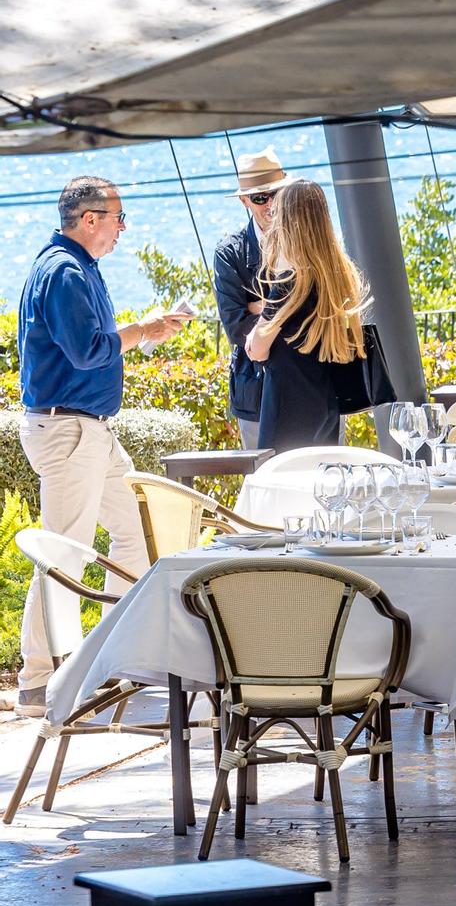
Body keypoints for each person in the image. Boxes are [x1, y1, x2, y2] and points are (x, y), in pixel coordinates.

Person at [15, 177, 189, 715]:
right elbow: (89, 351)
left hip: (90, 429)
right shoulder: (64, 272)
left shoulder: (77, 268)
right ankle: (39, 680)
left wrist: (144, 331)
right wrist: (146, 329)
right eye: (118, 218)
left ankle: (113, 658)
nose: (122, 229)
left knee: (134, 539)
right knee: (63, 554)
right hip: (68, 430)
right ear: (89, 219)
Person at [246, 179, 372, 451]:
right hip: (326, 406)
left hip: (285, 408)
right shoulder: (339, 278)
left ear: (287, 223)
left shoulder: (289, 283)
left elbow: (257, 349)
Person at [212, 149, 290, 448]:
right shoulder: (229, 253)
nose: (269, 203)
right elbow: (236, 328)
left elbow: (327, 309)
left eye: (275, 194)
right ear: (245, 201)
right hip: (257, 390)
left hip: (314, 384)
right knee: (265, 481)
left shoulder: (308, 241)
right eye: (260, 197)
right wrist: (290, 307)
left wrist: (262, 307)